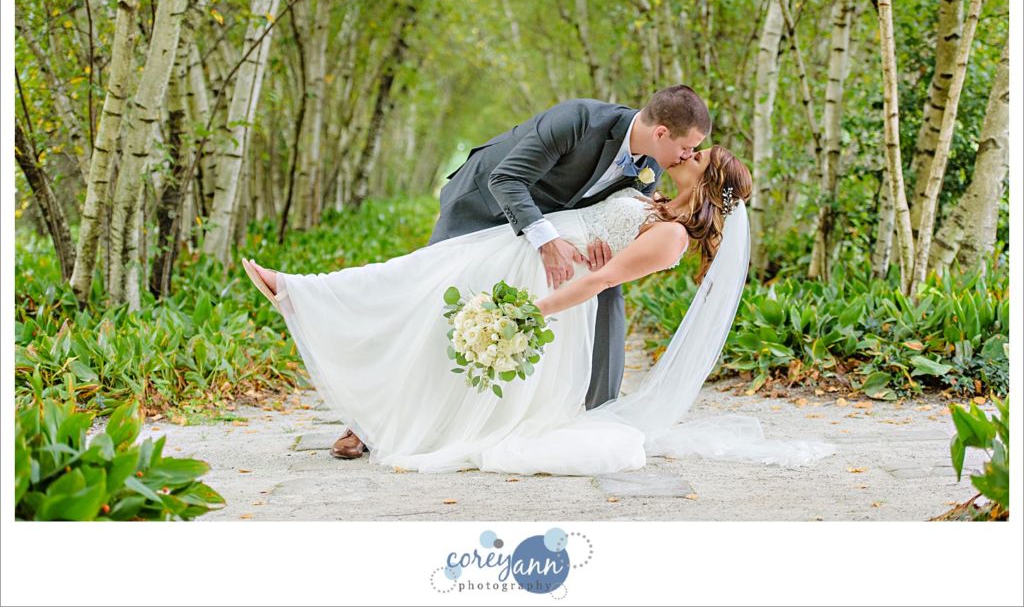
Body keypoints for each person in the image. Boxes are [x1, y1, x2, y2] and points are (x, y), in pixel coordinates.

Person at [244, 145, 834, 474]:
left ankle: (303, 294)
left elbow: (600, 279)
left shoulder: (673, 238)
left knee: (425, 298)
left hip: (541, 281)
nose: (689, 153)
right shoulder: (655, 199)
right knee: (419, 278)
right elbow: (603, 228)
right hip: (524, 250)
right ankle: (307, 294)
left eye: (698, 156)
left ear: (706, 181)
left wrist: (529, 313)